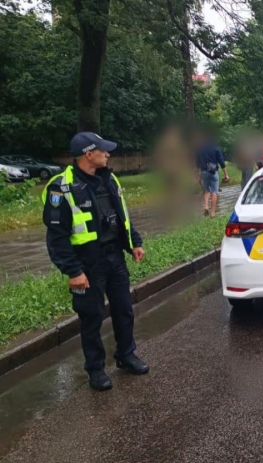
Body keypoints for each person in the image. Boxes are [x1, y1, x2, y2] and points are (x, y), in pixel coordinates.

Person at [42, 132, 148, 392]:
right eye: (103, 150)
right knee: (91, 317)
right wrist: (73, 271)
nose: (108, 154)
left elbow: (122, 215)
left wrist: (134, 242)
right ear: (89, 154)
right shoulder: (61, 188)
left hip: (115, 258)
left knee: (124, 309)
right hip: (87, 265)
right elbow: (56, 237)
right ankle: (95, 369)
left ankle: (126, 355)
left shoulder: (109, 179)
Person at [196, 134, 230, 217]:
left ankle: (206, 207)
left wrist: (198, 174)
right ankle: (212, 212)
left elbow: (197, 163)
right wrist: (226, 174)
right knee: (214, 192)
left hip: (204, 172)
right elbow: (222, 162)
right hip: (214, 172)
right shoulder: (216, 148)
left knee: (207, 190)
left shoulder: (200, 149)